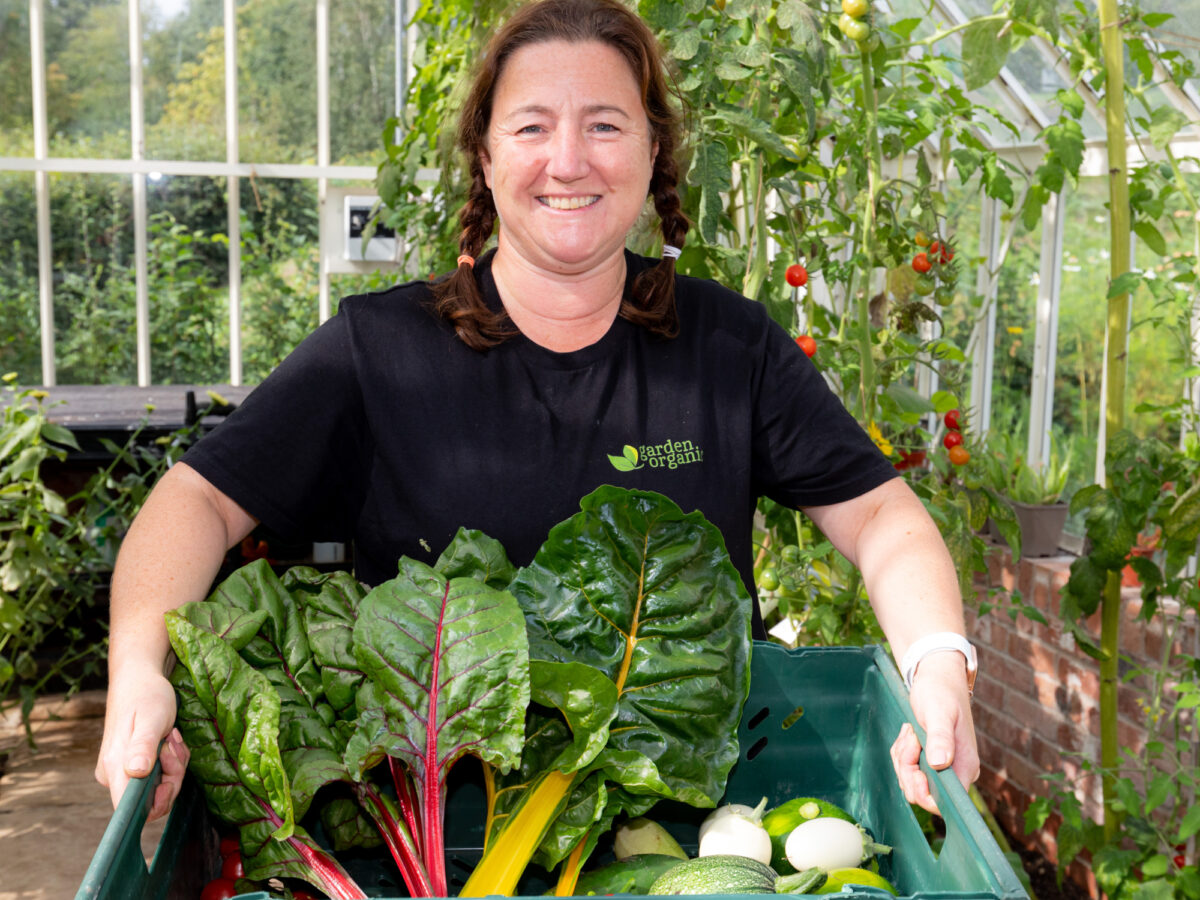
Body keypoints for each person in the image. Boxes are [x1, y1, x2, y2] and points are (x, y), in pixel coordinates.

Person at [95, 0, 978, 825]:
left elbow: (878, 515)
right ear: (485, 156)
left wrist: (941, 662)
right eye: (532, 127)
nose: (568, 161)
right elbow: (197, 501)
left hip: (683, 833)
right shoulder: (379, 348)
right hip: (433, 836)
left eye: (604, 125)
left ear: (651, 152)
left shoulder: (729, 347)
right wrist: (138, 666)